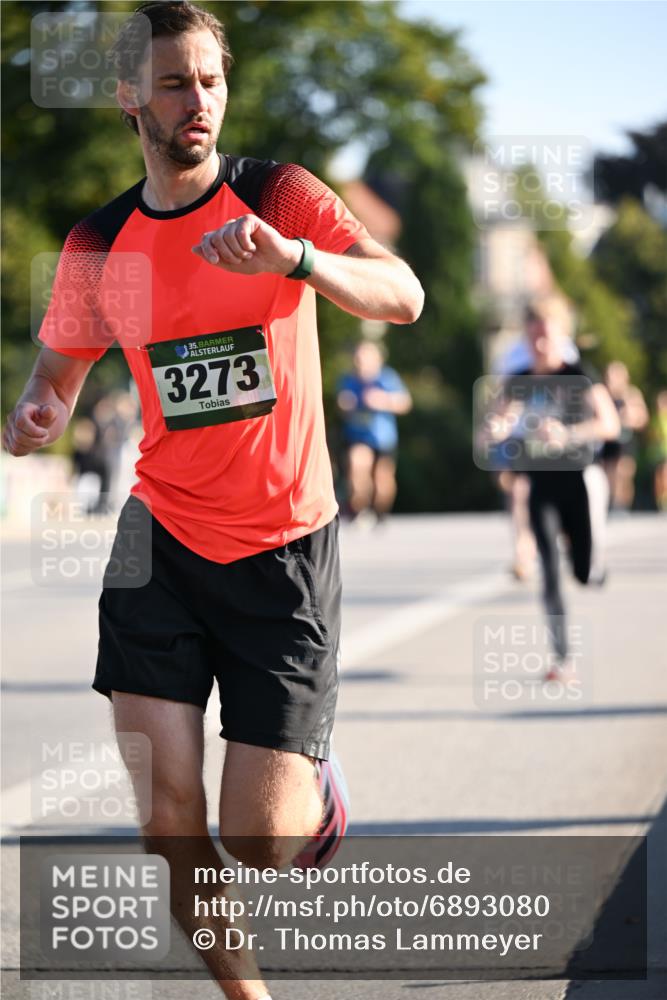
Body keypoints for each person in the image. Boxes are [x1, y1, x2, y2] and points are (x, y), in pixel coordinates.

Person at [2, 3, 424, 996]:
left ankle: (312, 789)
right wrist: (36, 412)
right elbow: (54, 381)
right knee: (167, 817)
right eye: (173, 82)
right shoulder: (100, 242)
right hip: (160, 543)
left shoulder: (276, 194)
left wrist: (298, 262)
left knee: (259, 840)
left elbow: (401, 294)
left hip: (281, 546)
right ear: (127, 97)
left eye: (210, 80)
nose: (198, 102)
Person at [490, 296, 620, 681]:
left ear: (561, 335)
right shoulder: (520, 382)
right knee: (548, 571)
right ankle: (563, 659)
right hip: (540, 485)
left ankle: (591, 568)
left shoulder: (580, 375)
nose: (541, 345)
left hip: (579, 482)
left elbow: (609, 425)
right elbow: (501, 419)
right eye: (534, 338)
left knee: (580, 571)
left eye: (547, 337)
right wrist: (496, 429)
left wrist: (569, 434)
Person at [337, 340, 412, 524]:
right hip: (358, 436)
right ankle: (360, 508)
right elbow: (341, 403)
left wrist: (383, 400)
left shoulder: (387, 378)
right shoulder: (349, 380)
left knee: (383, 481)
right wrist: (346, 404)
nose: (361, 364)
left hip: (383, 438)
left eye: (365, 359)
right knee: (357, 464)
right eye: (358, 360)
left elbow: (405, 403)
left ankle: (380, 512)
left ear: (377, 360)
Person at [600, 360, 649, 511]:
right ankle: (609, 505)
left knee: (624, 472)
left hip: (625, 441)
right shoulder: (603, 394)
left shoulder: (632, 394)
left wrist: (630, 417)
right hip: (607, 441)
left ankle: (622, 507)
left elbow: (643, 419)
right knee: (607, 475)